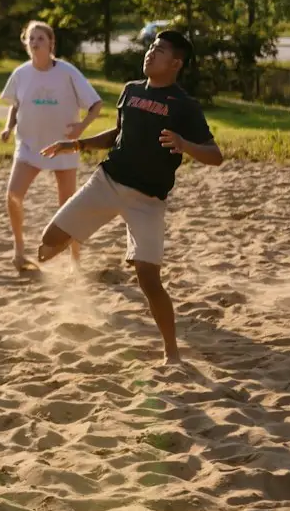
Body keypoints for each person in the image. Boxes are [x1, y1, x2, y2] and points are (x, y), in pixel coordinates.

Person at [37, 30, 222, 363]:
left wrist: (184, 144)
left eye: (160, 50)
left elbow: (215, 154)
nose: (150, 53)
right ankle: (84, 247)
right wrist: (77, 144)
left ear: (176, 63)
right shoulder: (131, 90)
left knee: (149, 280)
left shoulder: (184, 106)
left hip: (147, 202)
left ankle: (172, 354)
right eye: (151, 47)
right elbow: (118, 135)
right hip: (106, 182)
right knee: (46, 246)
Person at [0, 21, 102, 271]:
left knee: (67, 206)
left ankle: (75, 259)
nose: (35, 43)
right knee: (13, 195)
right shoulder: (21, 73)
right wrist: (8, 127)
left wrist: (81, 129)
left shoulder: (67, 72)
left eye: (40, 39)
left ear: (51, 43)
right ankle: (19, 250)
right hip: (28, 146)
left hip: (62, 147)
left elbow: (96, 105)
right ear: (26, 43)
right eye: (31, 39)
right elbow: (15, 105)